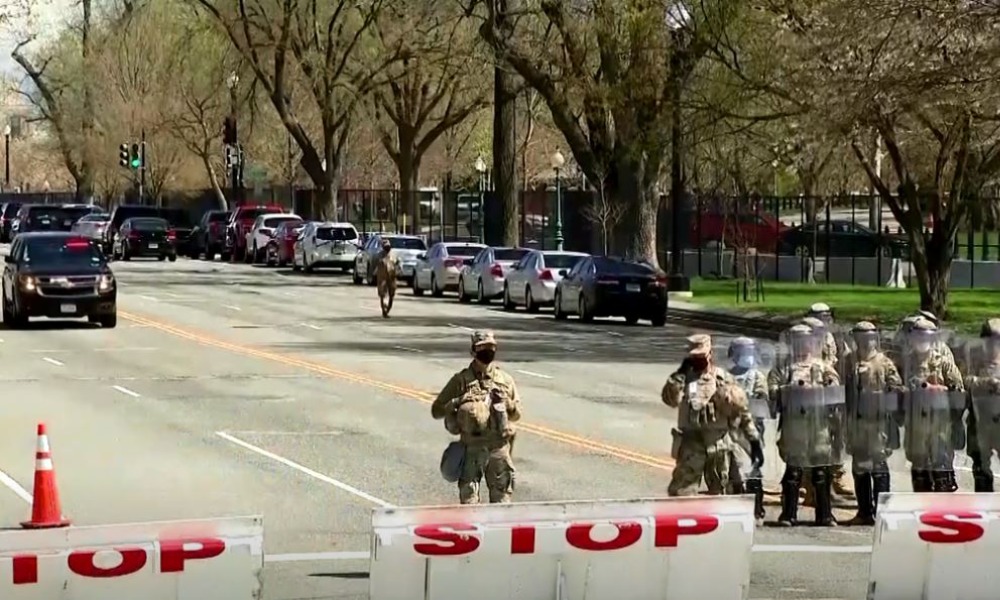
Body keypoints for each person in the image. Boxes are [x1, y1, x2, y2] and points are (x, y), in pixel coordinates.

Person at [663, 334, 764, 497]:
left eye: (701, 356)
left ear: (710, 354)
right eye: (694, 357)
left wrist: (754, 441)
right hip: (691, 445)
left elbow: (742, 411)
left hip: (718, 445)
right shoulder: (684, 379)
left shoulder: (723, 378)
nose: (698, 361)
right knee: (682, 493)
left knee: (720, 495)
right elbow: (670, 401)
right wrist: (677, 378)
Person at [431, 330, 522, 504]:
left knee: (502, 502)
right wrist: (458, 401)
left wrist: (508, 403)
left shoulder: (505, 380)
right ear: (473, 351)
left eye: (491, 347)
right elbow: (437, 410)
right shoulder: (461, 380)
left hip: (498, 449)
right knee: (469, 502)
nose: (487, 351)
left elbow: (517, 414)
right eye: (482, 348)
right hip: (472, 448)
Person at [769, 323, 843, 527]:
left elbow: (835, 389)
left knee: (821, 470)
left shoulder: (822, 366)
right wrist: (789, 390)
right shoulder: (784, 367)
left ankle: (825, 514)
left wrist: (824, 389)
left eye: (806, 341)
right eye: (798, 342)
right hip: (794, 424)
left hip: (818, 424)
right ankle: (789, 514)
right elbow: (772, 392)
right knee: (794, 469)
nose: (803, 346)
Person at [843, 322, 904, 526]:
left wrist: (884, 396)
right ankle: (864, 511)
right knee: (860, 466)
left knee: (879, 465)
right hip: (856, 420)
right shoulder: (848, 361)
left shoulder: (884, 362)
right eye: (860, 338)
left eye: (868, 338)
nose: (865, 342)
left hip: (878, 422)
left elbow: (897, 388)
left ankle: (882, 511)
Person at [900, 317, 965, 493]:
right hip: (915, 422)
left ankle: (943, 501)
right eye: (918, 336)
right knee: (919, 467)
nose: (921, 341)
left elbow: (958, 391)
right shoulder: (906, 362)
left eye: (925, 336)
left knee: (941, 465)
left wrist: (936, 389)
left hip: (939, 422)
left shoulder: (942, 362)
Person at [726, 336, 770, 524]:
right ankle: (735, 506)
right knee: (734, 468)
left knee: (754, 468)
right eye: (741, 353)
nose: (746, 356)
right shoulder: (727, 376)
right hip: (732, 430)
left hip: (752, 430)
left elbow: (763, 400)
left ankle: (757, 509)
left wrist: (755, 397)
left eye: (748, 352)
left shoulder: (757, 377)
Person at [966, 318, 1000, 492]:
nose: (993, 346)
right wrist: (985, 382)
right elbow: (965, 380)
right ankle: (984, 499)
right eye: (989, 341)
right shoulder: (974, 356)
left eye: (996, 341)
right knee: (980, 466)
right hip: (979, 418)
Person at [375, 239, 400, 318]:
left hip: (392, 276)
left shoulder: (393, 255)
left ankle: (388, 308)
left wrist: (398, 271)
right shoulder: (379, 255)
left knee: (392, 294)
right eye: (385, 247)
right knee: (382, 294)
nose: (387, 248)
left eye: (388, 247)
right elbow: (376, 265)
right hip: (382, 277)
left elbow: (398, 264)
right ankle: (384, 310)